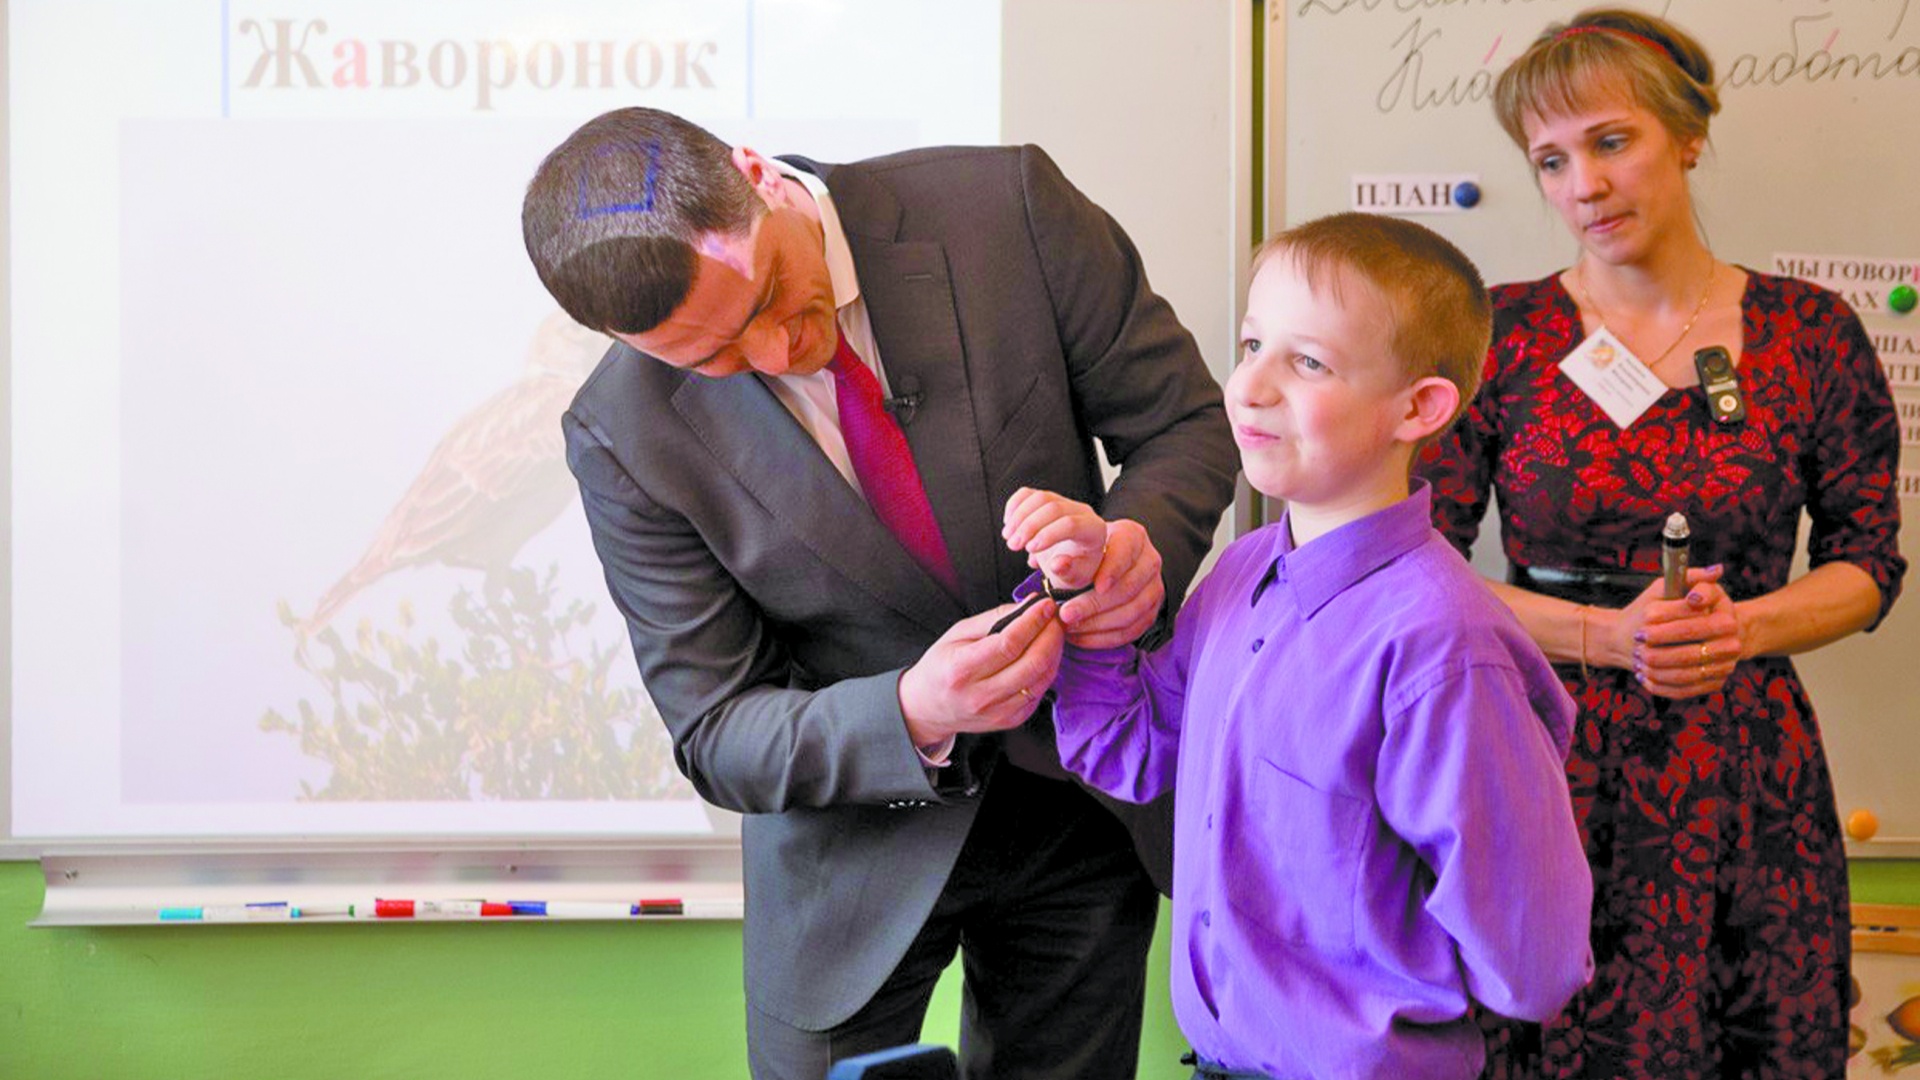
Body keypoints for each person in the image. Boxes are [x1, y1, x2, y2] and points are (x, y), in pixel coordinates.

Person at [520, 107, 1239, 1079]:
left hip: (1083, 813)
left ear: (756, 174)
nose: (774, 355)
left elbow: (1184, 424)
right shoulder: (620, 432)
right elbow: (718, 728)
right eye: (713, 359)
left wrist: (1134, 546)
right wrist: (912, 711)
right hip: (845, 867)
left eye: (767, 296)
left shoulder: (1008, 208)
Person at [1413, 9, 1907, 1078]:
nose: (1583, 185)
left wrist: (1737, 629)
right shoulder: (1500, 333)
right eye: (1551, 160)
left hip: (1749, 769)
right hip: (1547, 753)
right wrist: (1605, 636)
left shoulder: (1810, 331)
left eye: (1610, 141)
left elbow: (1869, 563)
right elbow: (1420, 566)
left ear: (1687, 136)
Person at [1004, 212, 1594, 1080]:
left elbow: (1532, 960)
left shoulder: (1443, 648)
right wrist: (1082, 592)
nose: (1249, 386)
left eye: (1308, 362)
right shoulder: (1241, 574)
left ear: (1419, 407)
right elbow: (1133, 749)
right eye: (1252, 345)